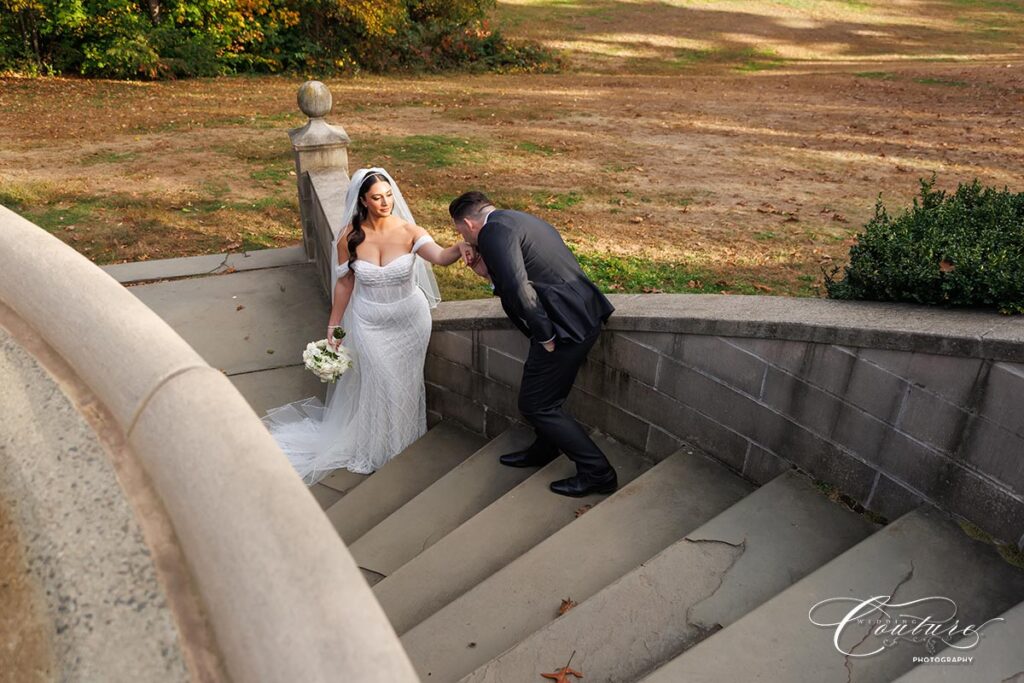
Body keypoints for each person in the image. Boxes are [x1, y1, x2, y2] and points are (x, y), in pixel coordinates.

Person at [263, 168, 465, 482]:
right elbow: (345, 285)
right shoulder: (349, 237)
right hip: (370, 323)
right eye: (377, 197)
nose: (385, 202)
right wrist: (334, 327)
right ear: (363, 200)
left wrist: (461, 246)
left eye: (388, 195)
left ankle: (403, 443)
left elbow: (439, 256)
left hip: (410, 321)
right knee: (380, 381)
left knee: (406, 384)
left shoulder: (410, 231)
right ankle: (379, 447)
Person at [449, 191, 617, 497]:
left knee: (537, 404)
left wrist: (545, 335)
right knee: (541, 394)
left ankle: (598, 473)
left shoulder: (491, 231)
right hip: (580, 312)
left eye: (460, 231)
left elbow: (517, 286)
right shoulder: (515, 219)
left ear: (468, 223)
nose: (463, 238)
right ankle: (545, 447)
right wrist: (483, 270)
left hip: (564, 326)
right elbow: (516, 274)